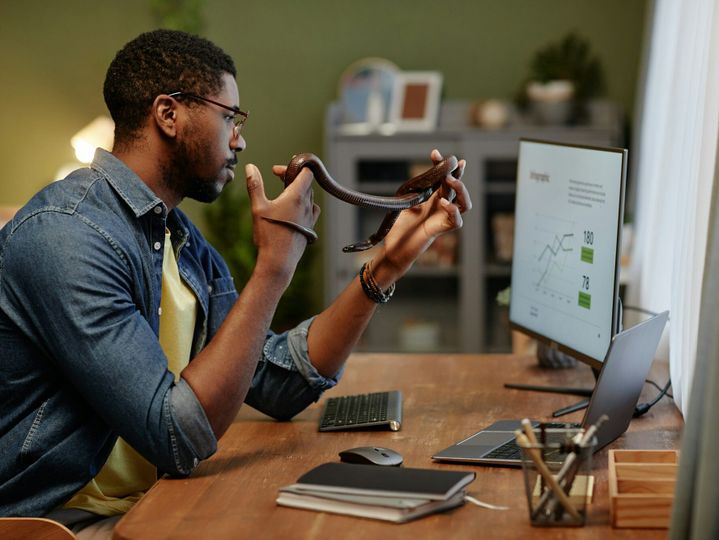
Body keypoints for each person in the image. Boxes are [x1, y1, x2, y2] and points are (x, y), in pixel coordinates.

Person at [0, 29, 470, 533]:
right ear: (168, 114)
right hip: (59, 523)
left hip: (149, 502)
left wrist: (389, 262)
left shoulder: (173, 234)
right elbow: (175, 436)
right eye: (229, 117)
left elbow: (275, 380)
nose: (239, 139)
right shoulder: (69, 236)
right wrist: (274, 268)